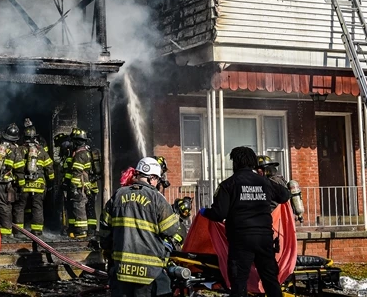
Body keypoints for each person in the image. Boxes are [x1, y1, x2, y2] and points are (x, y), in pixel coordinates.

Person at [199, 146, 290, 297]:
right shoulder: (265, 182)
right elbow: (284, 196)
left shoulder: (228, 185)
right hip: (264, 239)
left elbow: (218, 214)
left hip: (240, 241)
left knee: (239, 282)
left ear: (235, 163)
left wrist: (204, 212)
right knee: (270, 280)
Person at [99, 157, 181, 297]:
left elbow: (105, 230)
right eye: (157, 180)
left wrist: (109, 253)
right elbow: (171, 229)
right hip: (148, 272)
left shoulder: (118, 195)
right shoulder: (157, 198)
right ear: (152, 178)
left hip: (121, 270)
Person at [13, 125, 55, 236]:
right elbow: (49, 168)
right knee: (37, 206)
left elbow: (14, 166)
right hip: (39, 184)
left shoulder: (20, 150)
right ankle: (37, 230)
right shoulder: (41, 151)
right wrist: (51, 181)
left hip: (24, 185)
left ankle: (18, 231)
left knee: (20, 207)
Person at [63, 127, 92, 239]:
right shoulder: (84, 152)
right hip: (81, 185)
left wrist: (74, 187)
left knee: (79, 208)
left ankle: (81, 232)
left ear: (78, 141)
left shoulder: (80, 154)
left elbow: (76, 172)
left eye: (74, 141)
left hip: (80, 186)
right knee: (74, 208)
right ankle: (74, 230)